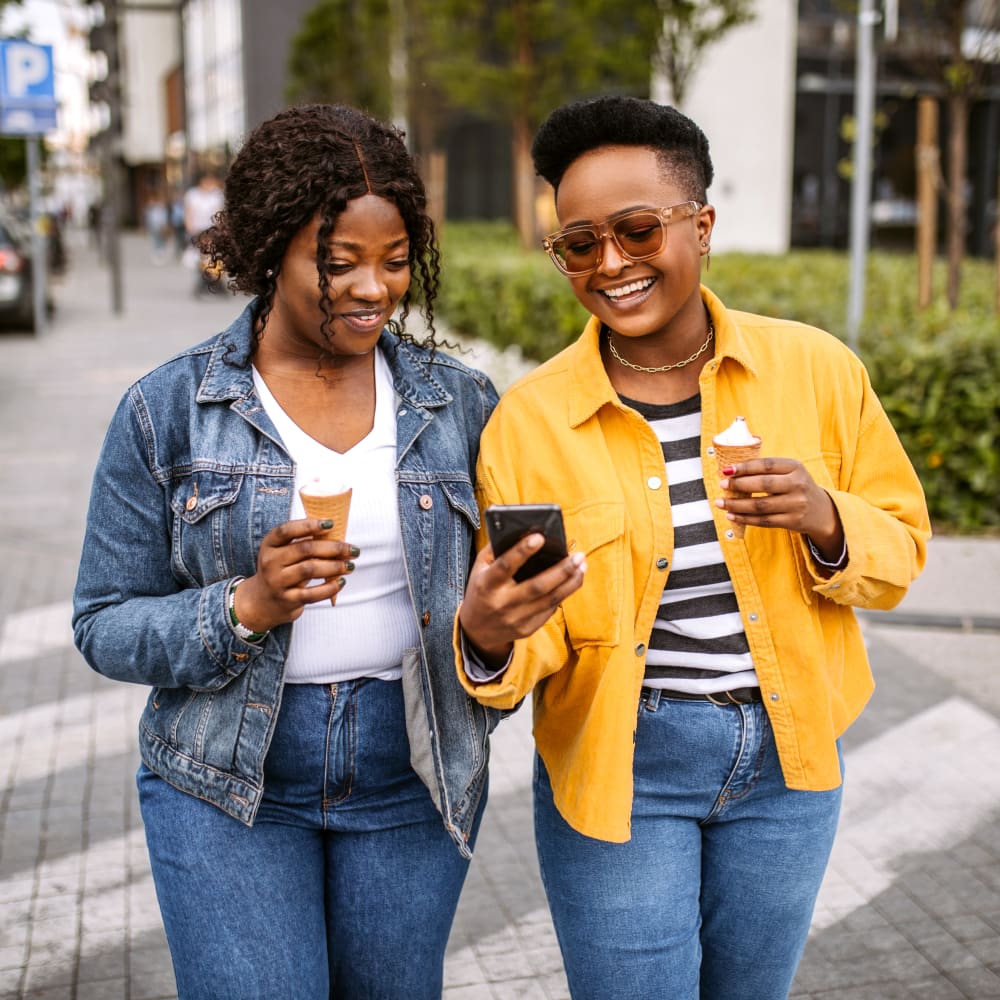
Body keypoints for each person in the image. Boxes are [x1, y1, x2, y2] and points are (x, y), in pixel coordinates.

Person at [456, 96, 930, 1000]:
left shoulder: (816, 370)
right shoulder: (528, 422)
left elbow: (901, 550)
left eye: (637, 230)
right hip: (621, 765)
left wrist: (827, 520)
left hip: (790, 762)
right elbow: (531, 636)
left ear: (701, 226)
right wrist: (486, 632)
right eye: (579, 244)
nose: (612, 264)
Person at [73, 103, 501, 999]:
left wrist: (498, 625)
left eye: (395, 262)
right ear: (273, 248)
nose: (373, 289)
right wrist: (245, 606)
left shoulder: (460, 405)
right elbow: (103, 622)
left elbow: (494, 606)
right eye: (339, 263)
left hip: (409, 771)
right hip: (226, 776)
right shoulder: (170, 409)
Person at [183, 169, 225, 294]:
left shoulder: (216, 195)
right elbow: (189, 213)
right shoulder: (192, 195)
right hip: (197, 230)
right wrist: (190, 229)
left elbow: (219, 213)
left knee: (212, 256)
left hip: (211, 230)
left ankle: (212, 280)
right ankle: (204, 281)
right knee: (199, 257)